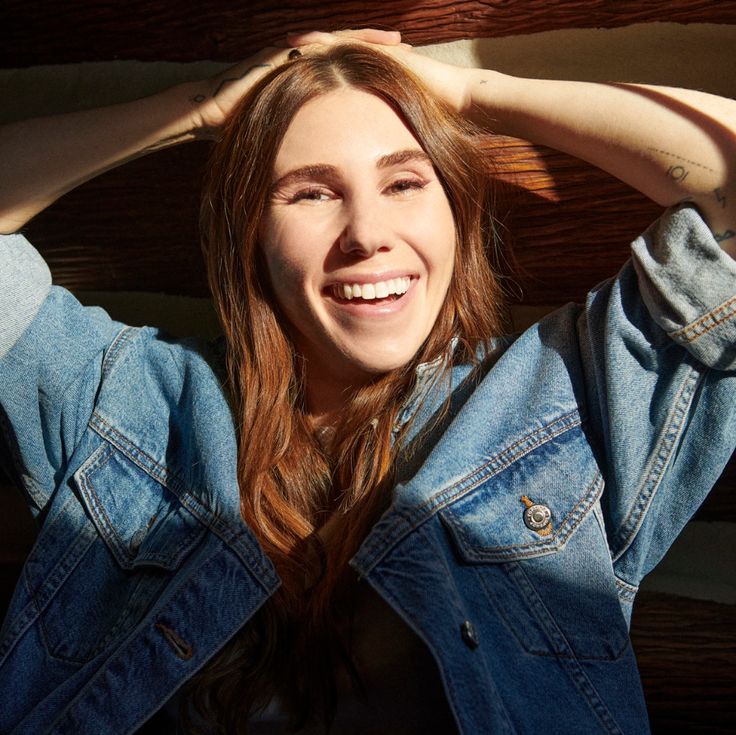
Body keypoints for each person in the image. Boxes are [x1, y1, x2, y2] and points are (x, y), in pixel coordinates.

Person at [0, 27, 734, 735]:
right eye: (311, 193)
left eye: (405, 181)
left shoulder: (564, 399)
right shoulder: (127, 400)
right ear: (251, 235)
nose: (367, 233)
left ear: (456, 214)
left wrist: (477, 94)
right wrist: (201, 108)